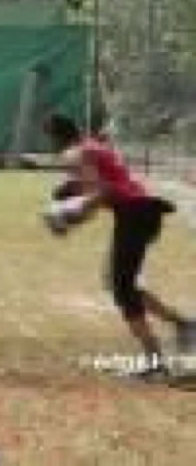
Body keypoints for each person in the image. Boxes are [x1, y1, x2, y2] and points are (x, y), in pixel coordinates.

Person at [42, 112, 195, 375]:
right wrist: (73, 215)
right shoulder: (91, 147)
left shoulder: (76, 154)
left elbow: (104, 191)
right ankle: (183, 325)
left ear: (54, 138)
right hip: (139, 212)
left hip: (135, 213)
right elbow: (102, 193)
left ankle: (155, 360)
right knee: (120, 283)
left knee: (122, 287)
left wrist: (69, 215)